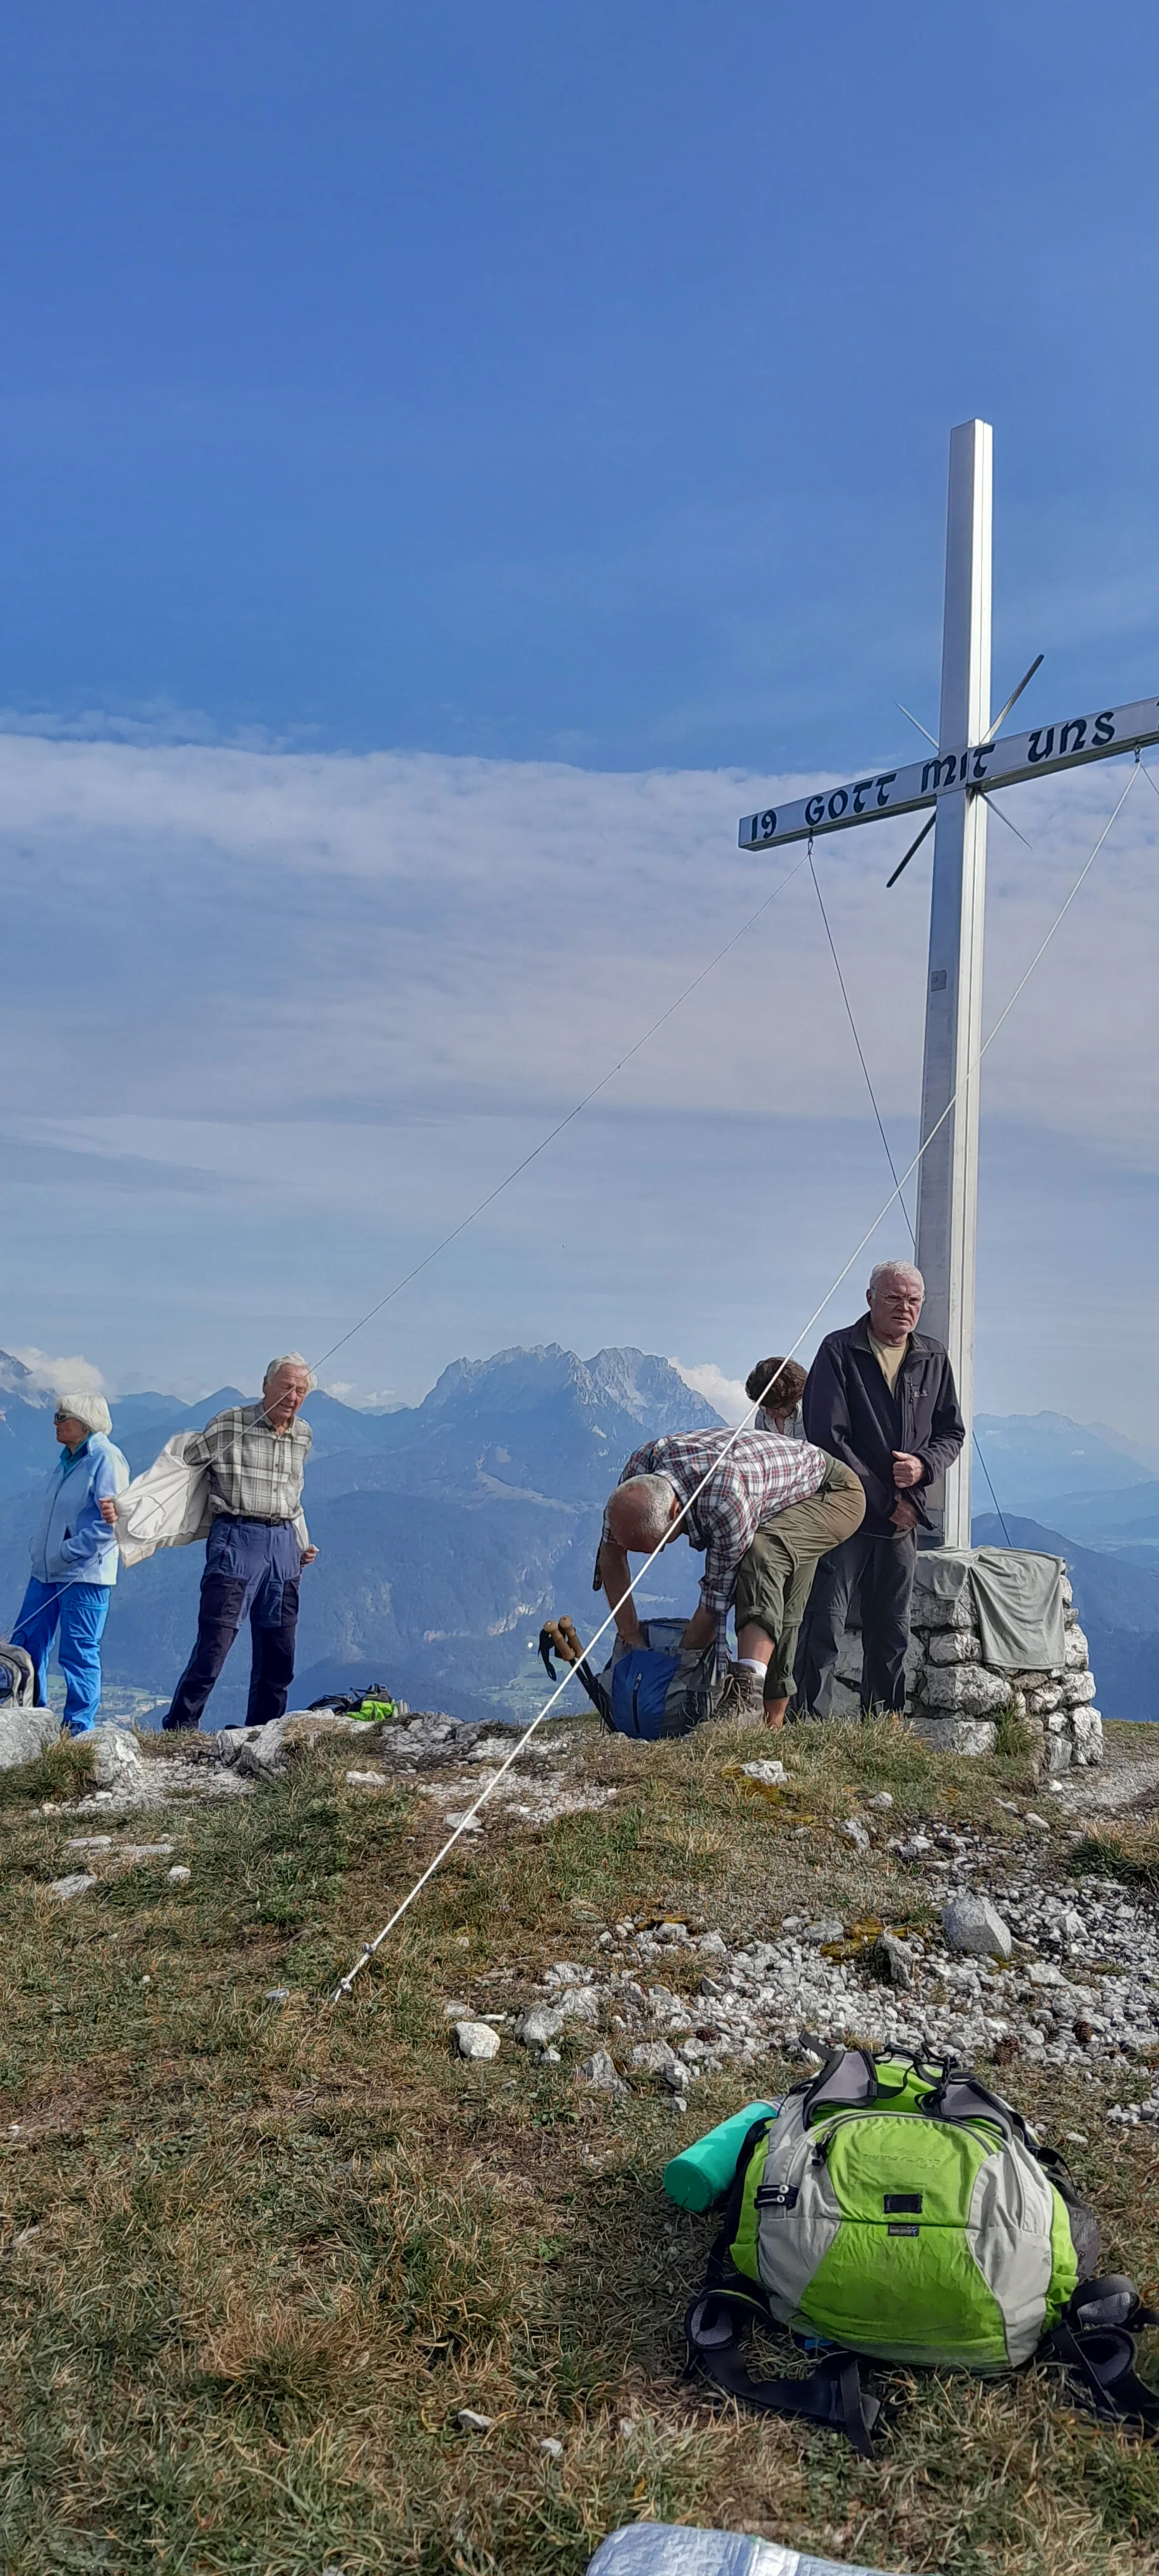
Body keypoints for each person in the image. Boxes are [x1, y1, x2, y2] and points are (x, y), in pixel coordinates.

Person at [596, 1424, 864, 1727]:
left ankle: (749, 1698)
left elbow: (715, 1603)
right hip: (769, 1490)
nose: (655, 1556)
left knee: (764, 1559)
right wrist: (630, 1637)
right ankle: (765, 1725)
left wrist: (676, 1670)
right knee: (777, 1601)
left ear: (675, 1512)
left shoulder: (725, 1499)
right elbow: (611, 1555)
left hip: (830, 1493)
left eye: (656, 1545)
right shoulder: (637, 1475)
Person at [793, 1260, 965, 1720]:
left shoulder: (933, 1357)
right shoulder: (838, 1350)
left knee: (892, 1629)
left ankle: (882, 1726)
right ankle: (806, 1725)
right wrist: (889, 1501)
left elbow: (952, 1433)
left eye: (913, 1300)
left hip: (902, 1522)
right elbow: (828, 1437)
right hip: (846, 1515)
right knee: (823, 1623)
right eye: (893, 1298)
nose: (904, 1308)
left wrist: (924, 1466)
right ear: (870, 1298)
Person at [157, 1354, 319, 1732]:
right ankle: (181, 1727)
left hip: (283, 1544)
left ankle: (264, 1732)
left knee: (280, 1651)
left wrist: (302, 1543)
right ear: (265, 1386)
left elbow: (293, 1496)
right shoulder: (231, 1424)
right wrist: (138, 1511)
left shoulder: (304, 1436)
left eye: (302, 1390)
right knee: (216, 1643)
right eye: (286, 1387)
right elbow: (183, 1469)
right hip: (236, 1537)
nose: (293, 1396)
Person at [12, 1390, 129, 1734]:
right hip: (46, 1571)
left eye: (62, 1417)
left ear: (84, 1422)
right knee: (27, 1642)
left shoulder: (106, 1459)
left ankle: (78, 1728)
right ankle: (29, 1717)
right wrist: (42, 1551)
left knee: (79, 1650)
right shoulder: (68, 1458)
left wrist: (67, 1551)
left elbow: (111, 1523)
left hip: (84, 1575)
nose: (56, 1423)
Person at [746, 1356, 808, 1438]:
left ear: (792, 1401)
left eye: (774, 1409)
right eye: (763, 1406)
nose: (768, 1413)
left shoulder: (810, 1418)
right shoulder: (761, 1417)